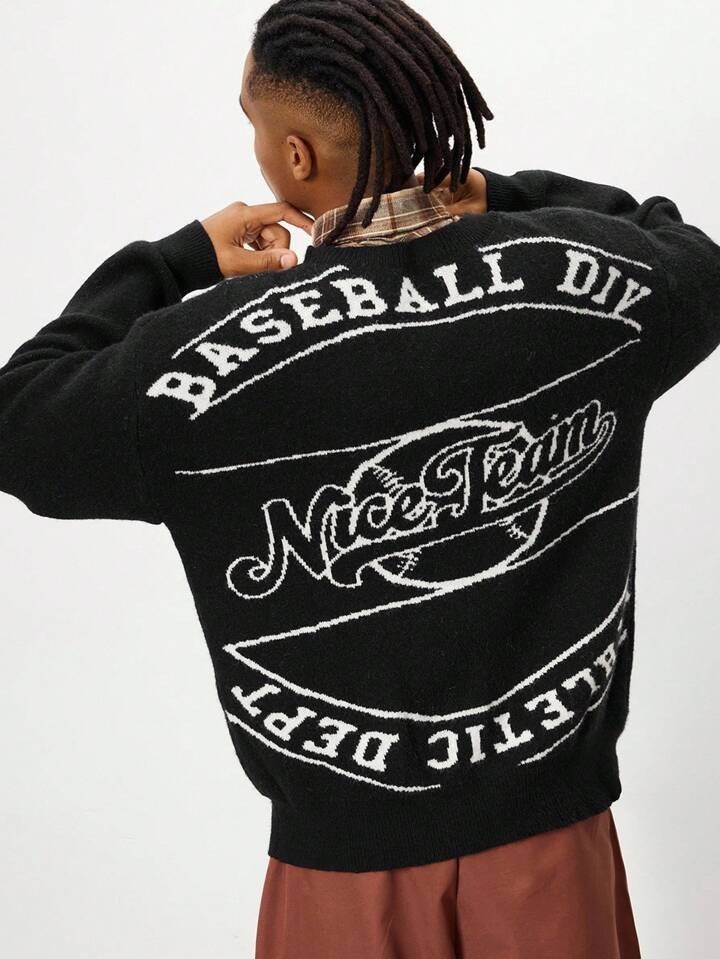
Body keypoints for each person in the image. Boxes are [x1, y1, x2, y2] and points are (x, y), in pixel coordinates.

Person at [1, 1, 718, 956]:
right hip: (554, 854)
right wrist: (498, 196)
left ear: (295, 157)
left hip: (341, 881)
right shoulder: (589, 292)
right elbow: (690, 254)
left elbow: (19, 417)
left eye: (252, 122)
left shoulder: (198, 367)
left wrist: (180, 260)